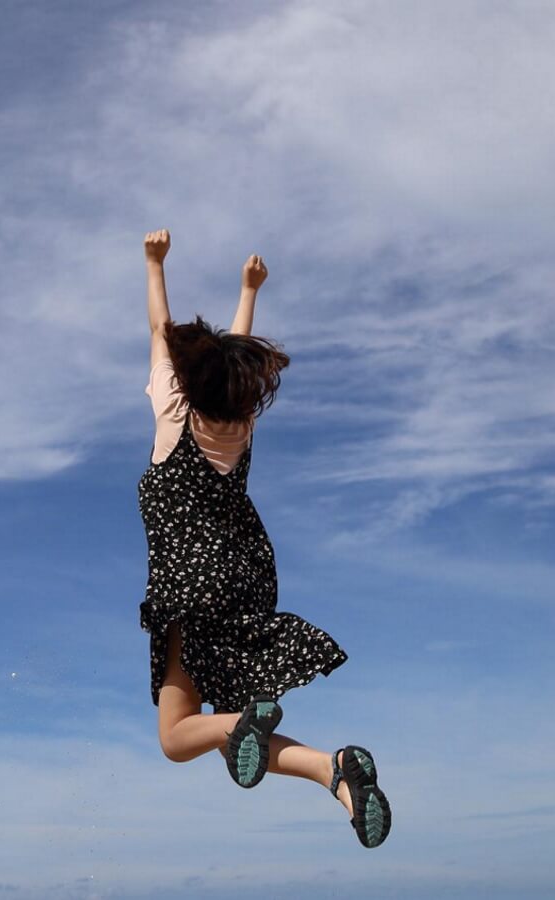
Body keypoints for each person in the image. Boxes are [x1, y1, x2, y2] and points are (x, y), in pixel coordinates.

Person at [138, 229, 390, 849]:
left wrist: (154, 265)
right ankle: (334, 774)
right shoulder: (239, 426)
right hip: (245, 577)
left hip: (191, 583)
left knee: (175, 738)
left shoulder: (175, 414)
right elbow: (234, 352)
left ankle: (249, 723)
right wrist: (250, 290)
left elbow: (159, 327)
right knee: (224, 732)